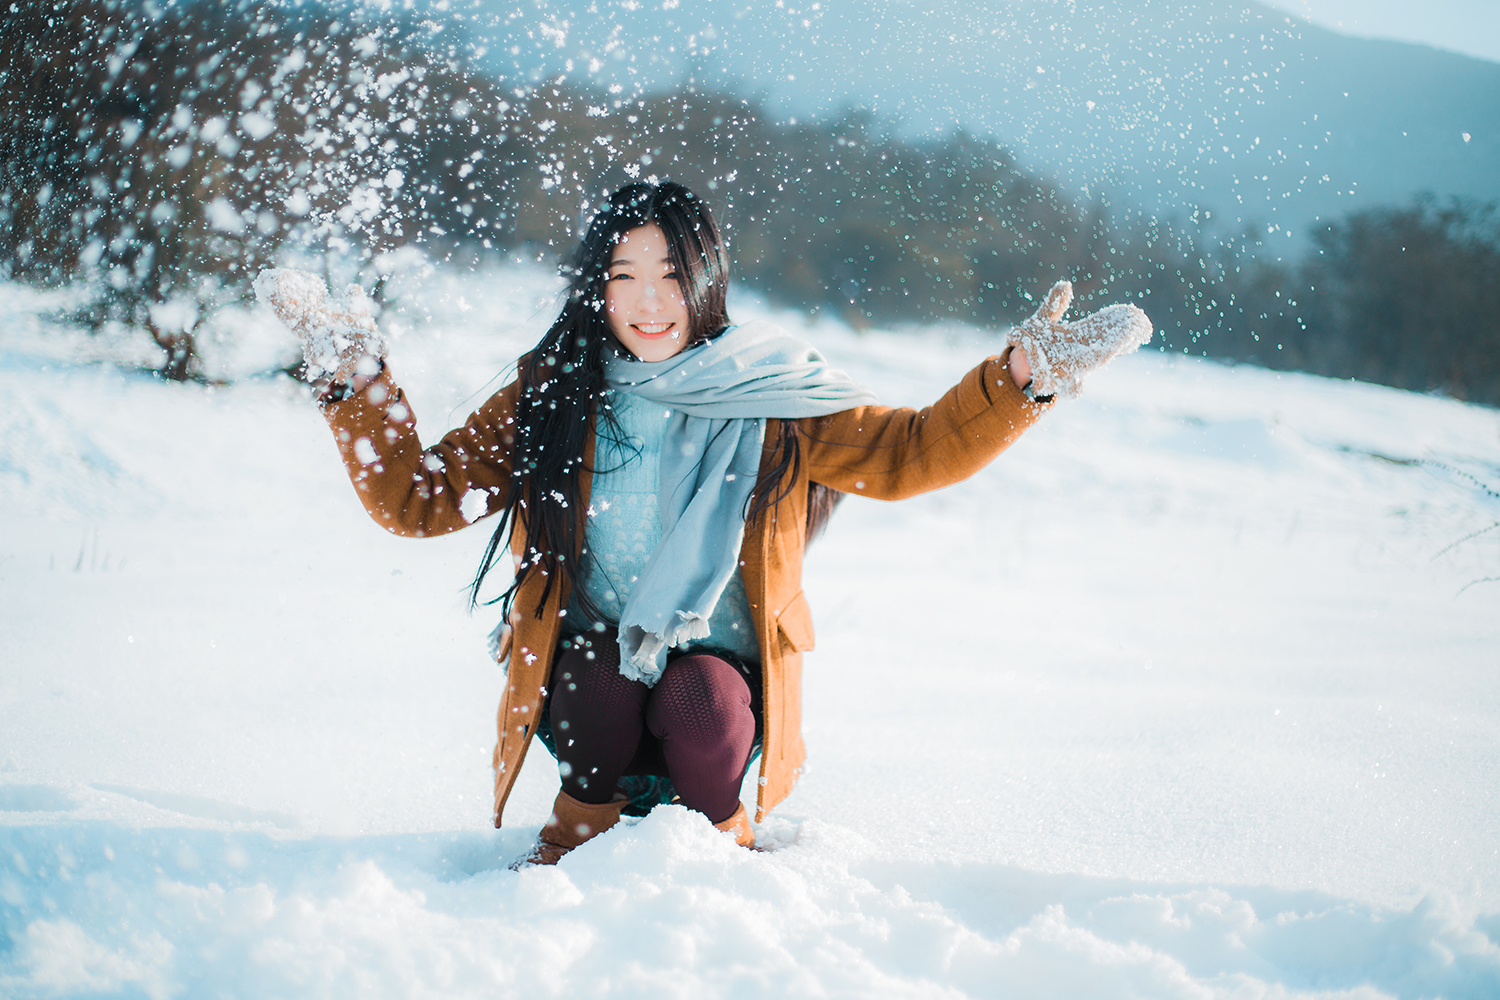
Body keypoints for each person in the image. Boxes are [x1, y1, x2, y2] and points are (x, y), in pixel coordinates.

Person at [258, 182, 1151, 864]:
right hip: (591, 690)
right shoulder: (556, 394)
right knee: (599, 678)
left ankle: (716, 855)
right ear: (596, 287)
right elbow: (420, 499)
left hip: (716, 690)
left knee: (701, 695)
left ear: (706, 280)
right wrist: (355, 382)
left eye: (670, 277)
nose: (649, 303)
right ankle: (572, 844)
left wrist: (1019, 381)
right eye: (624, 277)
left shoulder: (776, 394)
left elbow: (911, 453)